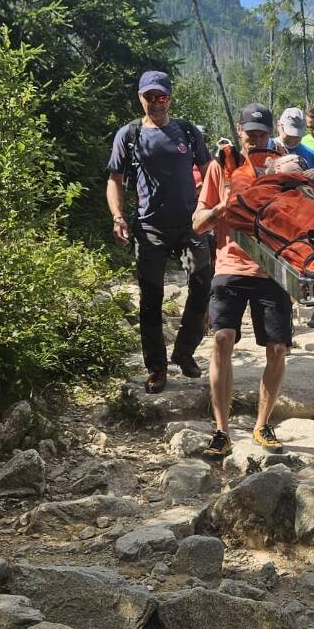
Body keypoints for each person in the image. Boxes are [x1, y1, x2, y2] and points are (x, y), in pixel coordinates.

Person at [192, 102, 292, 458]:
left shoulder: (284, 166)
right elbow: (198, 222)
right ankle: (221, 430)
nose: (256, 140)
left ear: (272, 134)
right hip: (230, 265)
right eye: (250, 134)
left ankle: (263, 424)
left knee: (278, 348)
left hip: (273, 268)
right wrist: (224, 206)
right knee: (222, 339)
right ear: (239, 131)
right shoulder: (222, 165)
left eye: (262, 134)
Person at [106, 70, 213, 394]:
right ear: (140, 98)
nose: (155, 103)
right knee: (150, 300)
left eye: (161, 96)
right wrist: (117, 216)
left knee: (202, 281)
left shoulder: (187, 132)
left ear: (170, 97)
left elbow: (209, 171)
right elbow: (114, 179)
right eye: (149, 97)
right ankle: (157, 368)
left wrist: (211, 210)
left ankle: (184, 351)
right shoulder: (130, 134)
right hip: (149, 228)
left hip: (191, 224)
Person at [270, 107, 314, 175]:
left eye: (297, 135)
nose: (293, 139)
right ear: (279, 125)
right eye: (289, 134)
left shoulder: (312, 156)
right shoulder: (266, 148)